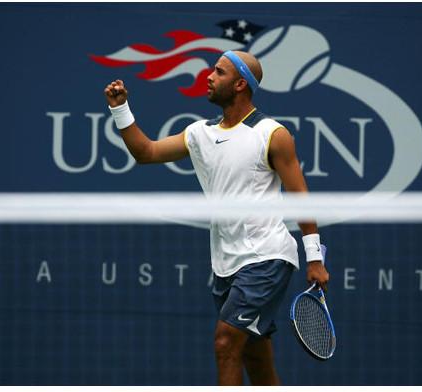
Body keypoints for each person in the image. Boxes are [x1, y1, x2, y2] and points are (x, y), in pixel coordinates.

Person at [104, 50, 330, 386]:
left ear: (240, 84)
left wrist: (314, 257)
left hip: (267, 256)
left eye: (219, 72)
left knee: (225, 342)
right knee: (255, 356)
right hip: (226, 264)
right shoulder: (199, 134)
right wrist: (120, 107)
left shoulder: (272, 134)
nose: (208, 76)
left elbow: (300, 194)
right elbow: (146, 152)